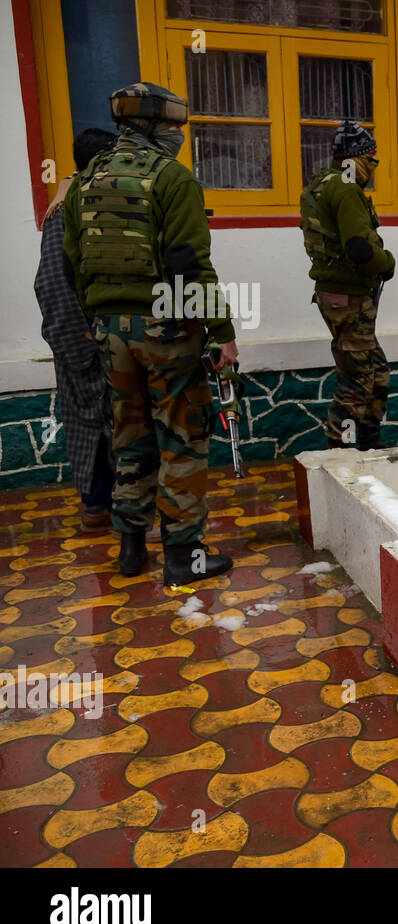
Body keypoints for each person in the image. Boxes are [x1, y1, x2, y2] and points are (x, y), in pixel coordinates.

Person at [63, 82, 238, 586]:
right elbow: (190, 265)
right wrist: (221, 331)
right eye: (171, 127)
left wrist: (101, 321)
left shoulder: (85, 180)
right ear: (150, 127)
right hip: (166, 331)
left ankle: (130, 548)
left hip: (109, 332)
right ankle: (184, 556)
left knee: (130, 435)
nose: (177, 136)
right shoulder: (172, 179)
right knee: (183, 436)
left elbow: (76, 261)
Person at [36, 127, 117, 532]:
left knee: (123, 425)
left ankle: (123, 509)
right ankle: (98, 508)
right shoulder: (65, 212)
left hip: (115, 339)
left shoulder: (106, 203)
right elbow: (51, 284)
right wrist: (81, 347)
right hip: (82, 340)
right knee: (92, 428)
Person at [300, 120, 395, 451]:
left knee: (376, 370)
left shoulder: (321, 183)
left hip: (339, 295)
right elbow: (358, 248)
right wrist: (388, 263)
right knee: (357, 380)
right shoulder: (345, 187)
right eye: (372, 160)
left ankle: (368, 439)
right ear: (357, 159)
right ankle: (340, 451)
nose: (373, 167)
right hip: (349, 298)